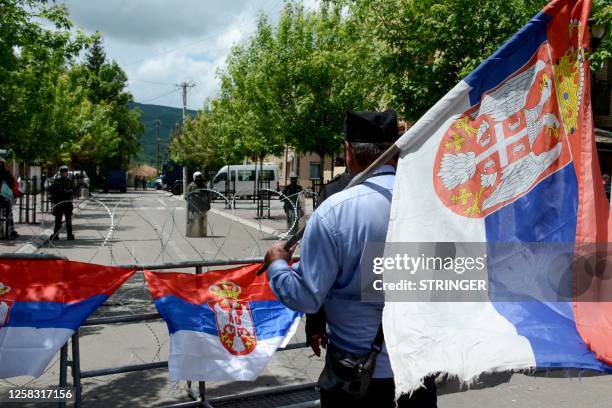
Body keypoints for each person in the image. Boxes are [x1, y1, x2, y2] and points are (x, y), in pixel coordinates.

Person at [264, 110, 437, 407]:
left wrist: (277, 264)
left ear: (348, 151)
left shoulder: (336, 212)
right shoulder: (431, 203)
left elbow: (307, 297)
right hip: (418, 371)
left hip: (358, 379)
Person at [49, 165, 75, 240]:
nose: (64, 173)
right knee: (58, 220)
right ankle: (56, 235)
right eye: (63, 172)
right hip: (60, 202)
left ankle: (69, 235)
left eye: (65, 172)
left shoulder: (69, 181)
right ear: (60, 173)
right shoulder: (56, 181)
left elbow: (74, 190)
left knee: (68, 220)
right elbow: (52, 190)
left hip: (67, 203)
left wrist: (67, 192)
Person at [185, 171, 211, 237]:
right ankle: (189, 232)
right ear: (194, 177)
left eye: (200, 177)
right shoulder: (191, 185)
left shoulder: (203, 185)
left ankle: (202, 232)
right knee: (192, 220)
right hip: (194, 206)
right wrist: (190, 199)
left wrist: (208, 204)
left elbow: (207, 195)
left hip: (202, 206)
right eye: (197, 177)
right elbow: (186, 195)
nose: (199, 178)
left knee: (202, 220)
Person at [0, 158, 19, 239]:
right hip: (5, 197)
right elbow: (12, 184)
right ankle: (10, 231)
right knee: (8, 214)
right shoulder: (6, 172)